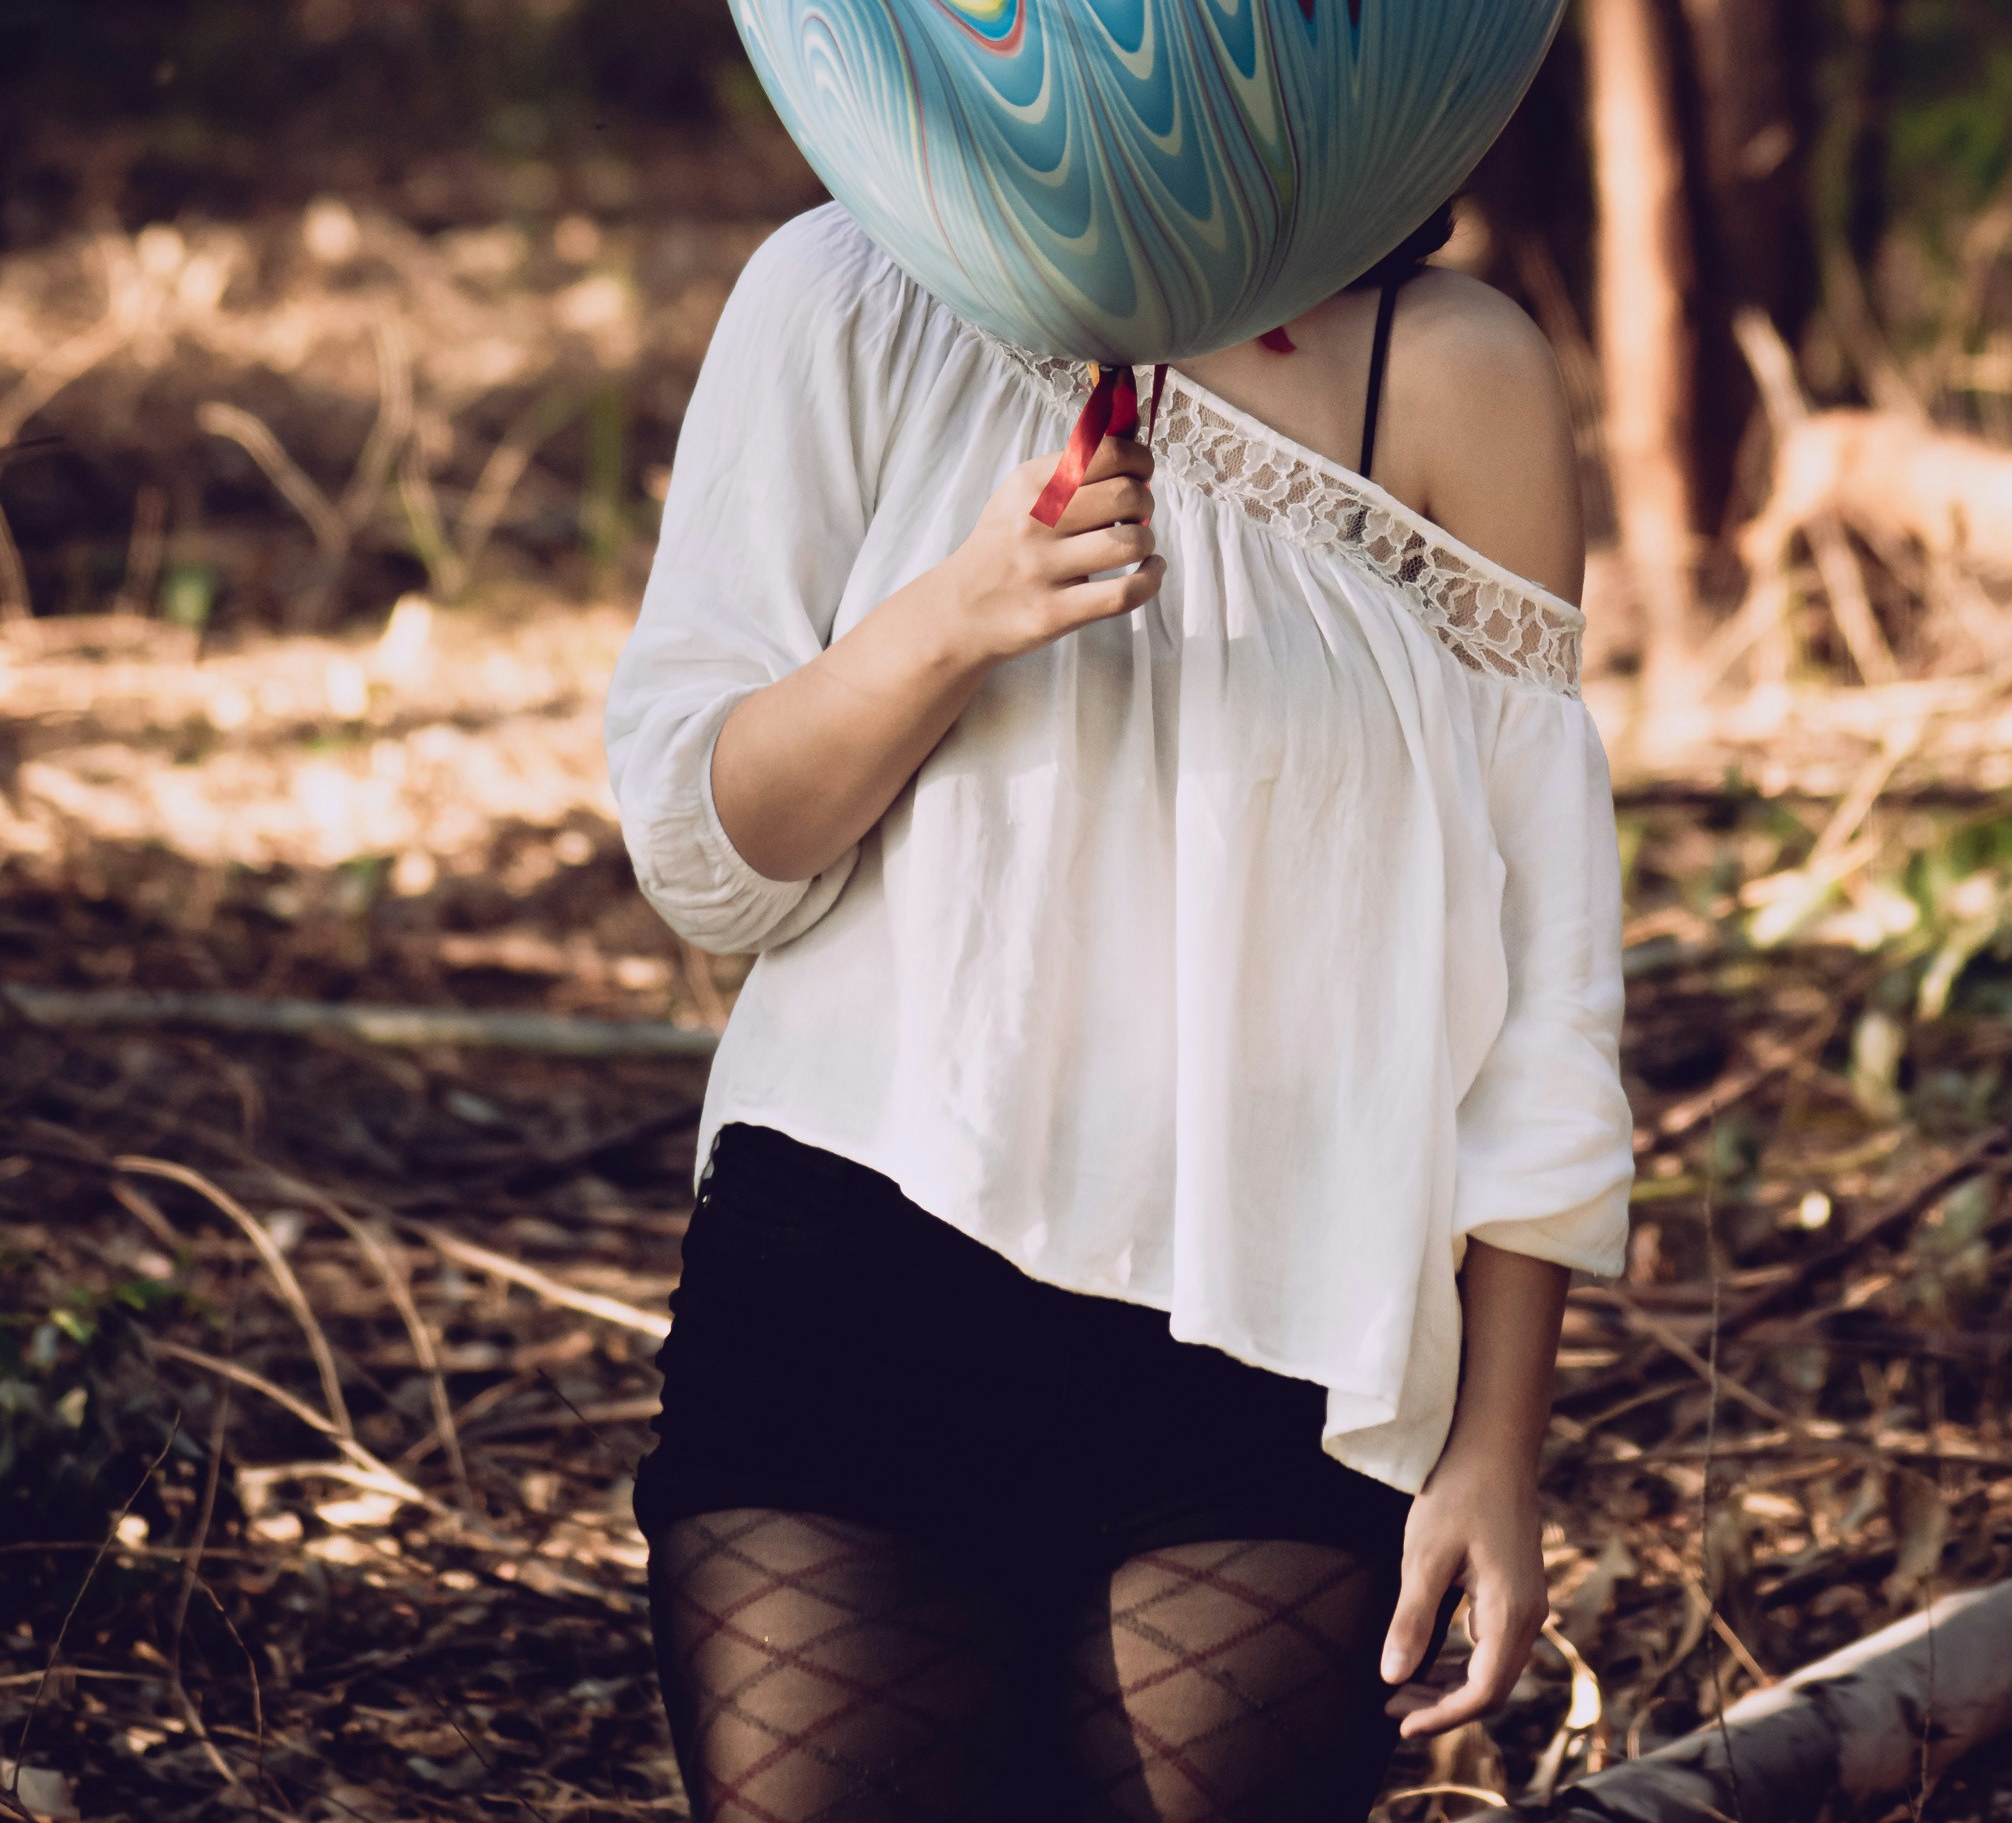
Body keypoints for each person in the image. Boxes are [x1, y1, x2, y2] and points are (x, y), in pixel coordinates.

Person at [608, 193, 1630, 1821]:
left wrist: (1495, 1447)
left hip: (1274, 1327)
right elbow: (716, 864)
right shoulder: (847, 291)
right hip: (855, 1274)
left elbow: (1543, 976)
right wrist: (956, 617)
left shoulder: (1451, 371)